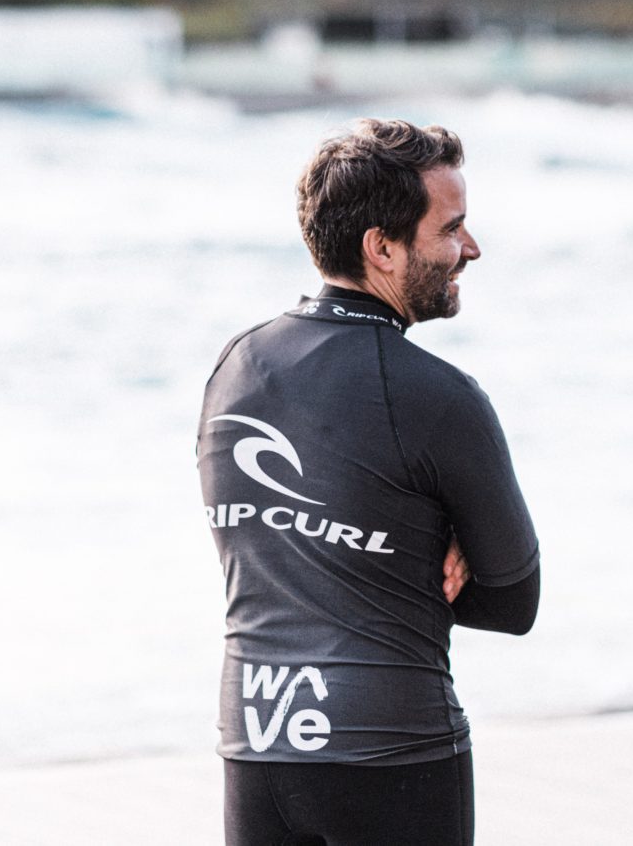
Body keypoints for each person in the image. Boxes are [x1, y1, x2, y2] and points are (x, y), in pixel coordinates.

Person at [199, 118, 540, 846]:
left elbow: (261, 551)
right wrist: (435, 551)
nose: (470, 249)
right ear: (381, 247)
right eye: (452, 229)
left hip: (256, 737)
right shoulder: (439, 395)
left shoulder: (236, 367)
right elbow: (514, 599)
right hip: (391, 745)